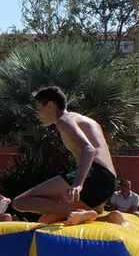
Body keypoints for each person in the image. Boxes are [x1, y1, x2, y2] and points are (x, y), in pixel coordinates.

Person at [12, 86, 125, 226]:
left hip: (94, 175)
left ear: (50, 106)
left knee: (20, 202)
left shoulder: (64, 120)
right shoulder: (87, 121)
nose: (38, 114)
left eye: (38, 108)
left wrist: (77, 184)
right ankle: (102, 217)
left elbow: (88, 149)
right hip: (109, 181)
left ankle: (83, 213)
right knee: (46, 221)